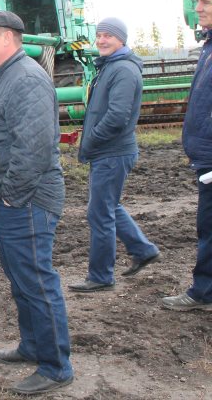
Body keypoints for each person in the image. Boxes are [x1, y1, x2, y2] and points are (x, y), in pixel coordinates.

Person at [0, 10, 74, 395]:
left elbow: (33, 147)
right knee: (21, 280)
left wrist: (11, 198)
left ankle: (56, 366)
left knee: (36, 282)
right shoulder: (7, 78)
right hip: (12, 201)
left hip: (25, 202)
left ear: (6, 38)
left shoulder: (26, 80)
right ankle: (33, 346)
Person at [68, 17, 161, 293]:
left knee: (99, 213)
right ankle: (143, 250)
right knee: (108, 207)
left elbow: (117, 116)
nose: (101, 40)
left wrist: (93, 139)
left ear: (121, 39)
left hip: (112, 151)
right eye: (99, 35)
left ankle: (101, 276)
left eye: (108, 35)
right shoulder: (110, 67)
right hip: (109, 151)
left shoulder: (122, 70)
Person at [162, 0, 212, 311]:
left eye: (205, 2)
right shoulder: (208, 46)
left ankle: (203, 293)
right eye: (197, 2)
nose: (197, 9)